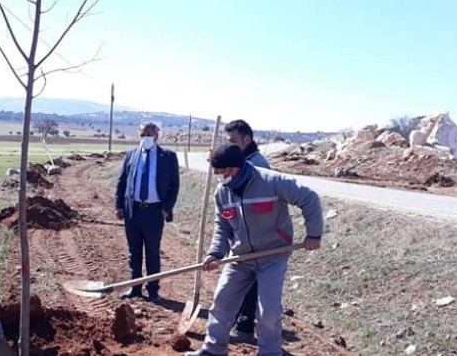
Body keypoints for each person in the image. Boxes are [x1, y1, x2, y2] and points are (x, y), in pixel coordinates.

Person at [186, 144, 323, 356]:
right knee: (222, 301)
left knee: (267, 310)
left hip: (273, 256)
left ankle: (269, 352)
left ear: (232, 169)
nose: (218, 177)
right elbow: (222, 226)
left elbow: (309, 198)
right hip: (240, 257)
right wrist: (215, 253)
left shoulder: (271, 181)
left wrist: (314, 234)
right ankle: (213, 350)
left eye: (220, 172)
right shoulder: (222, 193)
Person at [114, 121, 180, 302]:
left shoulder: (168, 156)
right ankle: (135, 287)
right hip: (132, 211)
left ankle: (153, 290)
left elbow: (174, 186)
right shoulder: (131, 155)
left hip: (154, 212)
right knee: (133, 251)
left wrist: (166, 208)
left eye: (149, 135)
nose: (146, 138)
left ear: (157, 135)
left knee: (152, 252)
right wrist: (118, 206)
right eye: (143, 135)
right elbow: (122, 182)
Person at [223, 119, 270, 343]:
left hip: (257, 235)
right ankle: (239, 321)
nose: (230, 146)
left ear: (247, 139)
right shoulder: (241, 161)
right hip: (242, 231)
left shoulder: (258, 165)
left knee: (249, 280)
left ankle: (244, 327)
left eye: (233, 141)